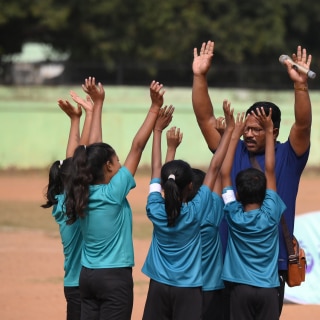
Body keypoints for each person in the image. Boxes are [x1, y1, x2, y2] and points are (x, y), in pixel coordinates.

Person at [192, 40, 312, 315]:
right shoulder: (233, 150)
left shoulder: (289, 157)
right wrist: (200, 76)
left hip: (272, 266)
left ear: (274, 130)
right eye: (246, 128)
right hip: (225, 264)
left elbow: (303, 124)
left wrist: (300, 84)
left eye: (257, 130)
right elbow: (205, 118)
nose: (248, 134)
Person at [64, 80, 165, 320]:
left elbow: (91, 150)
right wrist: (154, 107)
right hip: (113, 278)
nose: (121, 164)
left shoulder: (80, 190)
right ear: (108, 166)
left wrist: (98, 105)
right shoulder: (113, 193)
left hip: (87, 277)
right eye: (117, 160)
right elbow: (138, 147)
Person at [142, 100, 234, 320]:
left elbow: (158, 170)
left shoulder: (155, 208)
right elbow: (215, 168)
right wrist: (228, 133)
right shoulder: (199, 210)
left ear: (165, 186)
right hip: (190, 288)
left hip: (159, 285)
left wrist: (159, 133)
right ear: (192, 187)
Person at [220, 109, 286, 320]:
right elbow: (270, 169)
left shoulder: (233, 214)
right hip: (268, 289)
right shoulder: (271, 213)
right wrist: (268, 132)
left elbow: (224, 172)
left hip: (240, 289)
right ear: (265, 193)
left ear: (237, 194)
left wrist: (232, 134)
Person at [41, 80, 98, 320]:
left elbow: (76, 160)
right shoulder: (76, 201)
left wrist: (77, 119)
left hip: (72, 283)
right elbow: (80, 157)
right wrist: (91, 113)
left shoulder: (59, 205)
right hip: (82, 284)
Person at [165, 126, 225, 320]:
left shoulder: (168, 216)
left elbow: (168, 188)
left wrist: (171, 148)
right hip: (210, 290)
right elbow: (218, 171)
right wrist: (225, 137)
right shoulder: (213, 214)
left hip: (178, 288)